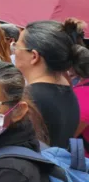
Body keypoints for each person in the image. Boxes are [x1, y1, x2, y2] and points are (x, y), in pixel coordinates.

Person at [14, 19, 87, 148]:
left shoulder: (29, 99)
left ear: (34, 56)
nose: (14, 51)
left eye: (17, 46)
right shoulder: (69, 92)